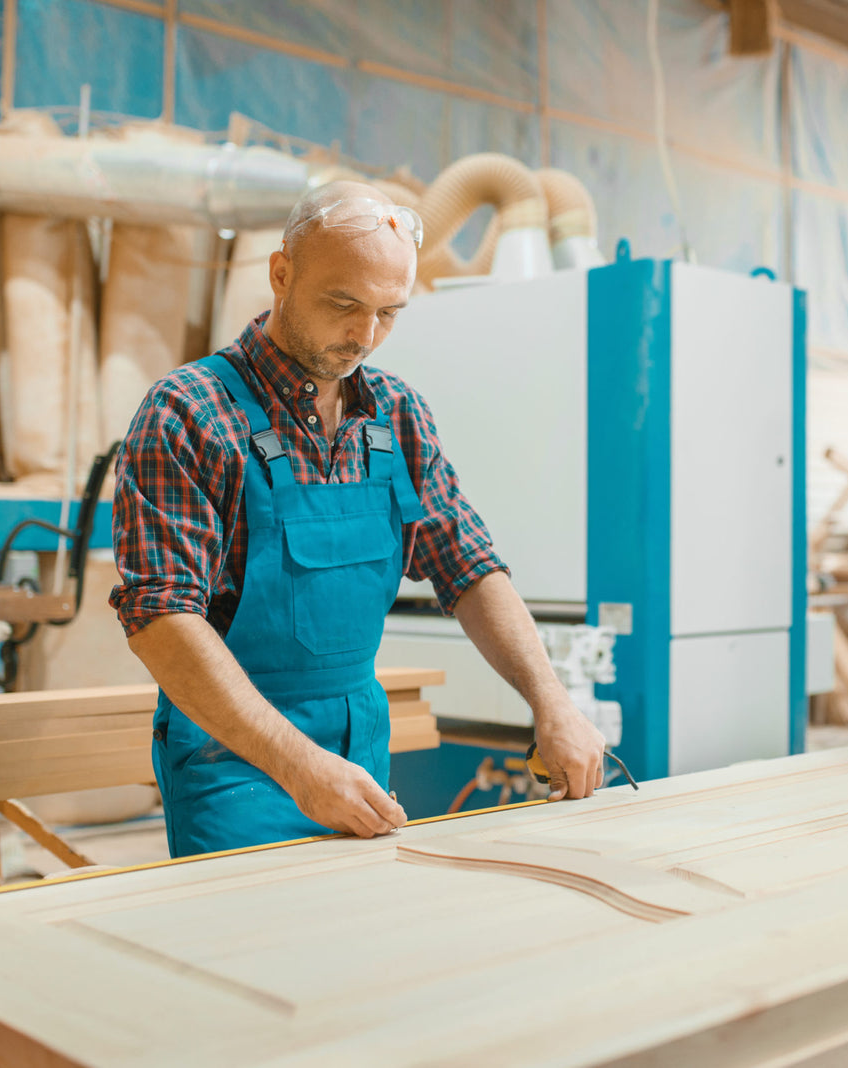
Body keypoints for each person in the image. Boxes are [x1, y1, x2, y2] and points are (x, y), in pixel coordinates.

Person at [110, 181, 607, 858]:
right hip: (235, 767)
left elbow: (468, 566)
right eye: (343, 305)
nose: (364, 337)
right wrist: (298, 765)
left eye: (388, 313)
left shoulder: (396, 417)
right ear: (282, 272)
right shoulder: (188, 412)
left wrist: (551, 703)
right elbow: (161, 620)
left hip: (362, 753)